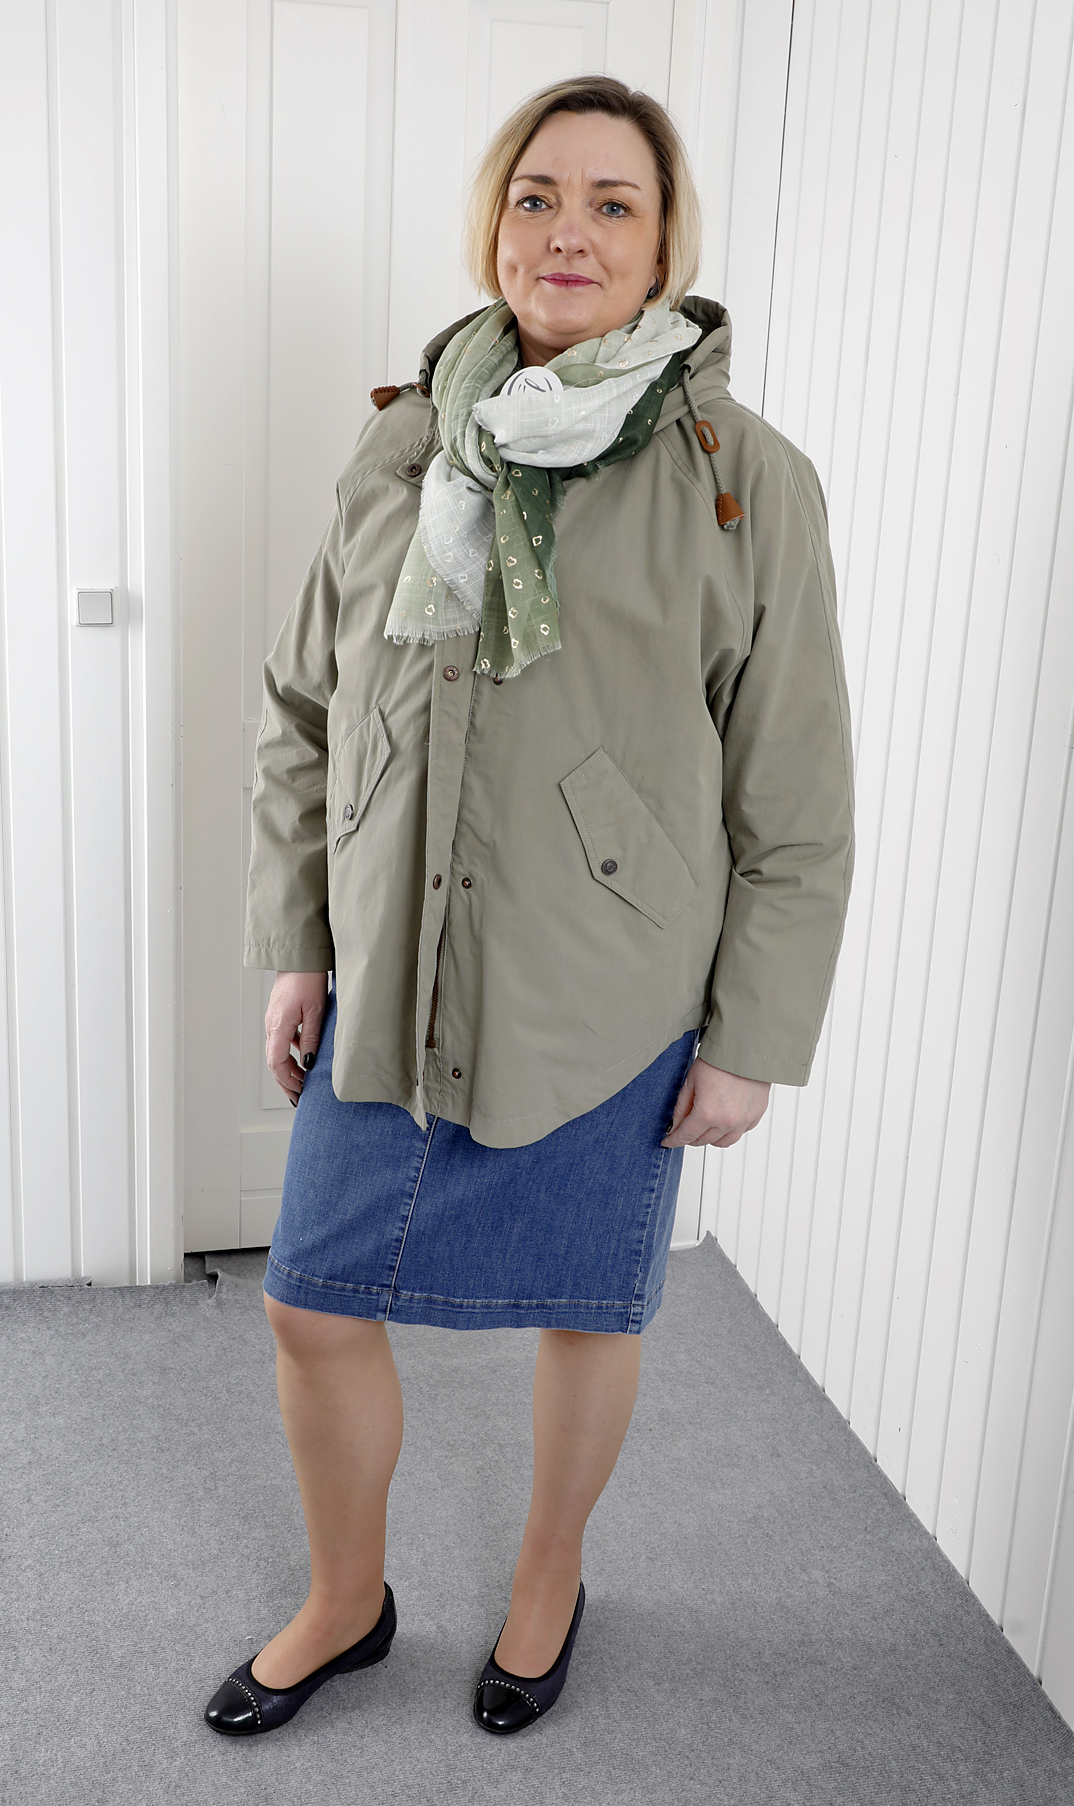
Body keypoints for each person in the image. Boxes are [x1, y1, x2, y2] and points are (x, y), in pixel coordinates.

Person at [204, 73, 855, 1740]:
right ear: (494, 222)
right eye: (537, 196)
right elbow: (302, 705)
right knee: (308, 1299)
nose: (568, 231)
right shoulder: (405, 438)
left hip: (607, 986)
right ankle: (346, 1600)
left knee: (584, 1304)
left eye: (611, 203)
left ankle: (548, 1574)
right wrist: (299, 937)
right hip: (391, 963)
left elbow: (791, 789)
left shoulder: (743, 478)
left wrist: (751, 1037)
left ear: (663, 242)